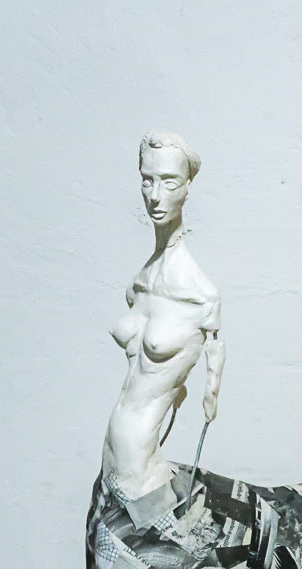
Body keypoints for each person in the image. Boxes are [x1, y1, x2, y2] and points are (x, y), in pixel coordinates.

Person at [102, 131, 225, 501]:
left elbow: (201, 395)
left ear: (187, 187)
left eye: (169, 182)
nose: (155, 196)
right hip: (109, 461)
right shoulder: (138, 285)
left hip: (142, 473)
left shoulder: (200, 296)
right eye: (147, 180)